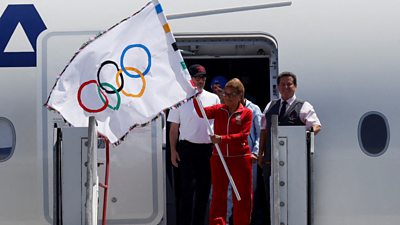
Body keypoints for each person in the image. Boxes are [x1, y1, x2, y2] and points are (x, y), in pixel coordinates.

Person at [257, 71, 321, 224]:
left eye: (289, 84)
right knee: (270, 196)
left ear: (295, 87)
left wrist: (305, 133)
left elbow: (317, 126)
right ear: (278, 87)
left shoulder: (304, 106)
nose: (286, 87)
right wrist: (261, 153)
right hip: (271, 160)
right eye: (282, 84)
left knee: (294, 195)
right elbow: (264, 131)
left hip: (294, 161)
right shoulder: (271, 105)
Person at [193, 78, 253, 225]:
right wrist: (193, 95)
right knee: (218, 195)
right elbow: (201, 113)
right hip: (219, 158)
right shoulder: (219, 109)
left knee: (242, 195)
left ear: (240, 95)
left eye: (231, 94)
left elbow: (243, 136)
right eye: (225, 94)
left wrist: (222, 139)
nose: (227, 97)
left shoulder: (247, 113)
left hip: (240, 158)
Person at [168, 64, 220, 225]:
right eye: (197, 77)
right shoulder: (179, 98)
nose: (200, 80)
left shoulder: (214, 98)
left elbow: (218, 123)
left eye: (203, 77)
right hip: (187, 149)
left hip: (207, 150)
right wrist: (173, 150)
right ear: (190, 79)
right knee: (186, 191)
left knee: (204, 191)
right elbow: (173, 128)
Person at [226, 97, 262, 225]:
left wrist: (256, 152)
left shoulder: (254, 109)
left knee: (247, 194)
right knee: (229, 193)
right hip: (231, 157)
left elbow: (260, 133)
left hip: (248, 158)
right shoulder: (226, 107)